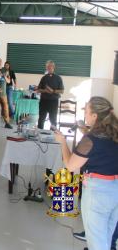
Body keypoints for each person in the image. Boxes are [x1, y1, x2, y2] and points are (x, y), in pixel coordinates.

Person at [53, 97, 118, 250]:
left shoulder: (90, 140)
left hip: (98, 193)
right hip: (115, 190)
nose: (85, 114)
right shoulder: (114, 133)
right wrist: (86, 130)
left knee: (97, 243)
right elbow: (104, 148)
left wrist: (63, 142)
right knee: (107, 239)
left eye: (87, 111)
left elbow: (70, 166)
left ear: (95, 116)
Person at [36, 60, 64, 129]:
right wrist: (44, 90)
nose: (48, 68)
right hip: (44, 101)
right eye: (47, 67)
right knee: (41, 119)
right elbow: (38, 89)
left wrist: (53, 91)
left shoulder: (58, 78)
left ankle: (53, 136)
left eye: (50, 66)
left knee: (53, 120)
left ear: (53, 67)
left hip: (53, 101)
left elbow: (62, 91)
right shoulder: (44, 78)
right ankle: (39, 134)